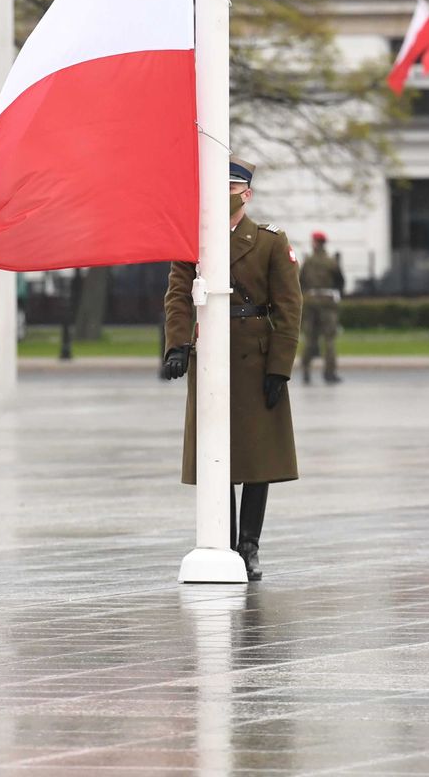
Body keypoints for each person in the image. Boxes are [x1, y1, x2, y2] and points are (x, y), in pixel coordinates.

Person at [162, 156, 302, 581]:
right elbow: (178, 295)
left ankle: (249, 546)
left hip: (255, 358)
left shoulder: (269, 242)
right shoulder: (194, 238)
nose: (223, 195)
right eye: (217, 188)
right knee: (215, 453)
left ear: (246, 194)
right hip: (211, 357)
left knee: (258, 458)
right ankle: (222, 538)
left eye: (231, 188)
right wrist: (178, 345)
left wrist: (280, 365)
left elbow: (289, 308)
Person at [298, 231, 344, 384]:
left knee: (310, 337)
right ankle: (329, 373)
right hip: (327, 301)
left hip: (310, 300)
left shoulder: (308, 261)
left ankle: (305, 371)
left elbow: (300, 281)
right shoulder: (331, 262)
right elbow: (340, 281)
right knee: (329, 339)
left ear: (314, 243)